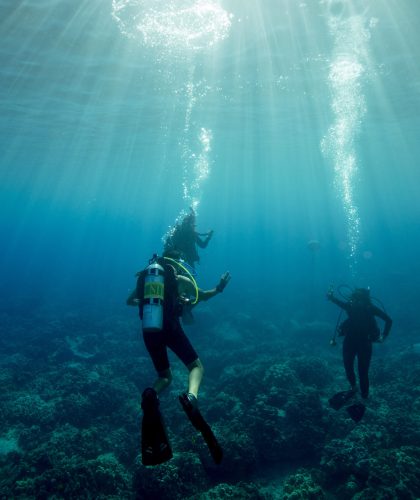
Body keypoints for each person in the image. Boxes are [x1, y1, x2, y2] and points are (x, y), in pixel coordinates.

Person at [127, 254, 230, 465]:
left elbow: (130, 301)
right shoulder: (180, 279)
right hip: (171, 328)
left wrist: (150, 300)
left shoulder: (145, 279)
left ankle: (150, 394)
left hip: (149, 330)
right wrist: (219, 288)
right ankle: (191, 397)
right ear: (175, 264)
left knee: (164, 376)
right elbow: (201, 296)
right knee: (196, 366)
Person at [327, 287, 392, 422]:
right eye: (356, 299)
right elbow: (388, 320)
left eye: (359, 299)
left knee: (357, 370)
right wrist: (383, 336)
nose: (357, 302)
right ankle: (357, 391)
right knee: (353, 368)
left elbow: (388, 320)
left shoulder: (362, 307)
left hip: (358, 342)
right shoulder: (361, 307)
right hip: (358, 343)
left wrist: (331, 296)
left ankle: (362, 395)